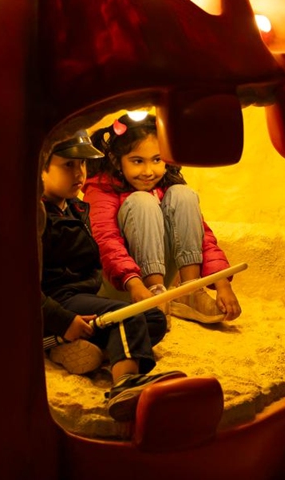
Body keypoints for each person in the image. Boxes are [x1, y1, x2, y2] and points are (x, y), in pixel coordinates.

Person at [40, 130, 184, 422]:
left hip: (83, 298)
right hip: (56, 302)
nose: (79, 173)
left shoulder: (77, 208)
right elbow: (20, 285)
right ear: (40, 167)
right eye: (68, 164)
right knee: (125, 314)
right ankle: (124, 384)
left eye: (82, 165)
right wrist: (63, 320)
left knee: (153, 320)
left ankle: (86, 350)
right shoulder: (36, 215)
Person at [83, 114, 242, 324]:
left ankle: (190, 290)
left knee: (183, 195)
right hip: (125, 284)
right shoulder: (101, 187)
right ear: (115, 160)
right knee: (141, 201)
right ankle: (155, 296)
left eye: (157, 160)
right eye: (137, 161)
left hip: (167, 283)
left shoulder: (168, 186)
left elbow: (202, 236)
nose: (148, 171)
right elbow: (105, 241)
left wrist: (222, 284)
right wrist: (134, 283)